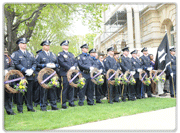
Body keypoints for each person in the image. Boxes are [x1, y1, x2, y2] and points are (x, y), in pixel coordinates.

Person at [11, 38, 37, 113]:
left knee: (29, 92)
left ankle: (30, 107)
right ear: (19, 44)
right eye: (22, 43)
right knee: (20, 93)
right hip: (20, 76)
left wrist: (32, 69)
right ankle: (20, 109)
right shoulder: (16, 54)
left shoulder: (30, 54)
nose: (24, 45)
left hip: (30, 76)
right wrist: (25, 70)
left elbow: (34, 63)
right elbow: (16, 63)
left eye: (25, 43)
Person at [36, 40, 59, 111]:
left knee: (53, 90)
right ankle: (43, 106)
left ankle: (54, 105)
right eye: (46, 45)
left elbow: (57, 64)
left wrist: (54, 65)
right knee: (44, 90)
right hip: (44, 75)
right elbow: (36, 64)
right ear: (43, 46)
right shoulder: (40, 55)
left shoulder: (53, 54)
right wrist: (44, 65)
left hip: (52, 74)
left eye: (48, 45)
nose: (47, 46)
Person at [57, 40, 77, 109]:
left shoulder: (71, 54)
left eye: (67, 45)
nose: (66, 46)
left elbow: (75, 61)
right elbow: (62, 63)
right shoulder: (60, 54)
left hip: (71, 74)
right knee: (64, 89)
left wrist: (74, 66)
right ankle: (63, 103)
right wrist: (70, 68)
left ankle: (71, 102)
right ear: (62, 46)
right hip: (65, 73)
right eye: (65, 45)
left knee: (71, 88)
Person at [4, 48, 16, 115]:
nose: (5, 53)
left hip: (7, 79)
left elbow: (12, 66)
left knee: (8, 95)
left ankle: (9, 110)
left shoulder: (8, 58)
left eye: (6, 52)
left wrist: (7, 70)